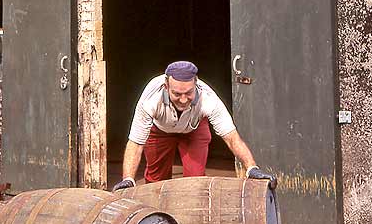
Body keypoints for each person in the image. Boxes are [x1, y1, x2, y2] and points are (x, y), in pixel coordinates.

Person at [112, 61, 277, 191]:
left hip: (194, 130)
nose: (183, 99)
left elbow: (231, 138)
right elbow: (136, 143)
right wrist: (128, 179)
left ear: (196, 84)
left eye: (188, 93)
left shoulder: (208, 99)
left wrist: (251, 167)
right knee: (155, 181)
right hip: (160, 131)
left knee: (195, 181)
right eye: (177, 94)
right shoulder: (150, 100)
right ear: (166, 86)